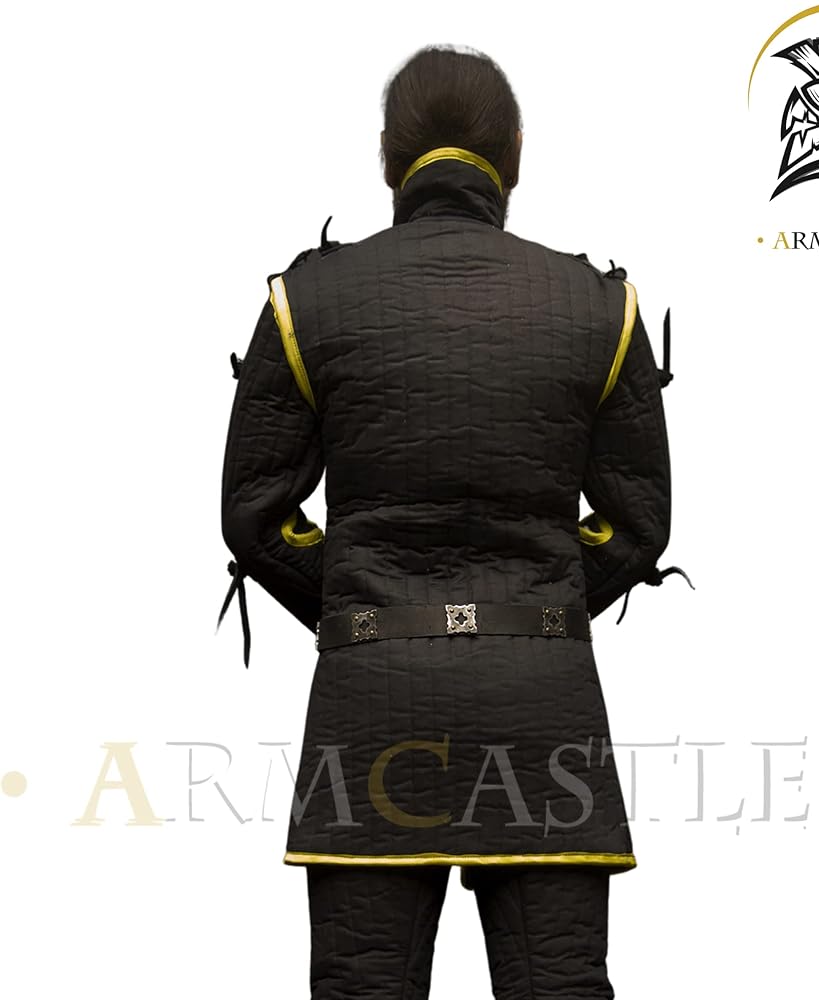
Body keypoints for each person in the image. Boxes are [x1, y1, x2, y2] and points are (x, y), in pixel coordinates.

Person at [218, 43, 687, 1000]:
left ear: (388, 157)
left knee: (362, 986)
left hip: (370, 708)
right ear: (514, 154)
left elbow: (255, 516)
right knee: (557, 986)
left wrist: (365, 611)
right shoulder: (600, 309)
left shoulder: (305, 303)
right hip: (542, 705)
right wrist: (541, 602)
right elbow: (636, 524)